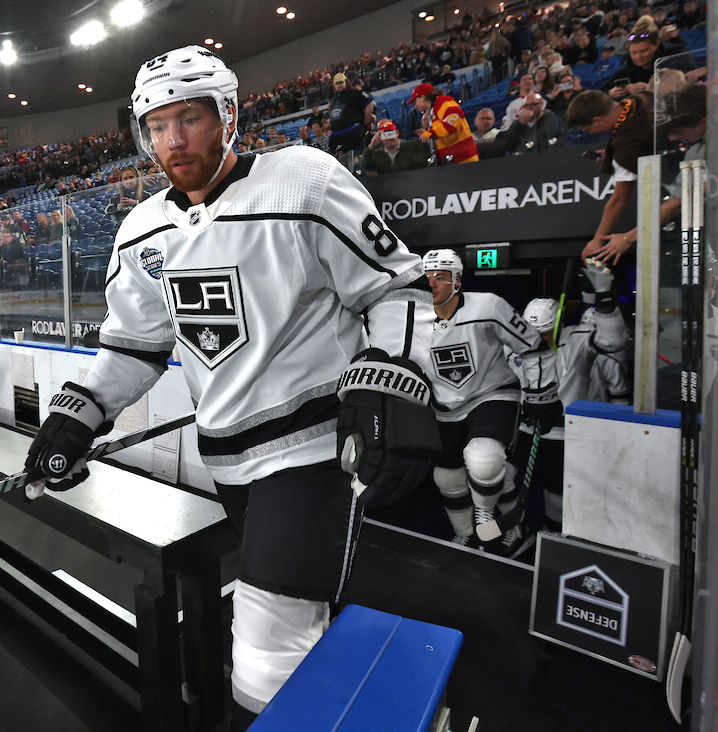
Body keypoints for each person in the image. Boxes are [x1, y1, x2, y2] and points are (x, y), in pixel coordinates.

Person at [25, 45, 439, 730]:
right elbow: (134, 346)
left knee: (267, 653)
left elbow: (398, 288)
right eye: (157, 125)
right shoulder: (143, 231)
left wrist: (392, 369)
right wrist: (81, 413)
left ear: (228, 116)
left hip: (309, 454)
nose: (173, 139)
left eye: (188, 118)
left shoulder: (304, 179)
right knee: (301, 626)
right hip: (228, 463)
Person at [423, 249, 556, 555]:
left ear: (457, 281)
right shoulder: (412, 317)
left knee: (484, 461)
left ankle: (487, 516)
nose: (431, 284)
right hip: (445, 404)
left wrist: (541, 394)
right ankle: (467, 534)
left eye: (440, 277)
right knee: (447, 477)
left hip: (492, 392)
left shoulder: (488, 306)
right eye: (426, 277)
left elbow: (533, 347)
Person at [514, 259, 628, 533]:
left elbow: (614, 341)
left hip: (564, 434)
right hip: (525, 429)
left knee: (557, 492)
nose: (535, 339)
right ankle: (516, 531)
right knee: (507, 479)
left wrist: (604, 297)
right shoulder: (516, 343)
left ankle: (553, 535)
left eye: (542, 333)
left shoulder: (576, 340)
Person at [565, 89, 680, 263]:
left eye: (589, 128)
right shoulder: (642, 97)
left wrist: (597, 240)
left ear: (598, 120)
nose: (592, 133)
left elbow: (619, 201)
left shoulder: (626, 150)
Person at [408, 83, 478, 165]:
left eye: (415, 101)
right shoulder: (433, 111)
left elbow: (455, 116)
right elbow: (443, 132)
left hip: (464, 161)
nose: (415, 105)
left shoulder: (442, 101)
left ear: (422, 97)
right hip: (452, 163)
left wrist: (432, 132)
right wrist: (428, 135)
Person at [326, 73, 374, 163]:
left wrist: (365, 121)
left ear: (346, 83)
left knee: (355, 158)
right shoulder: (334, 98)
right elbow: (330, 110)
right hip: (336, 135)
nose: (339, 85)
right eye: (337, 84)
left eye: (341, 83)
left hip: (352, 132)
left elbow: (369, 101)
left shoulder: (354, 93)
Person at [501, 93, 567, 155]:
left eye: (533, 104)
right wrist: (521, 124)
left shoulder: (552, 119)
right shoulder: (518, 123)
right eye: (526, 105)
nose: (529, 108)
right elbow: (508, 145)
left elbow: (554, 141)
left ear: (541, 105)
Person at [359, 119, 429, 174]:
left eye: (391, 134)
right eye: (385, 135)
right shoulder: (377, 154)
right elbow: (364, 164)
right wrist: (372, 145)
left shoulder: (413, 146)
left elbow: (422, 168)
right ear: (380, 136)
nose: (389, 138)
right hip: (387, 189)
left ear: (397, 133)